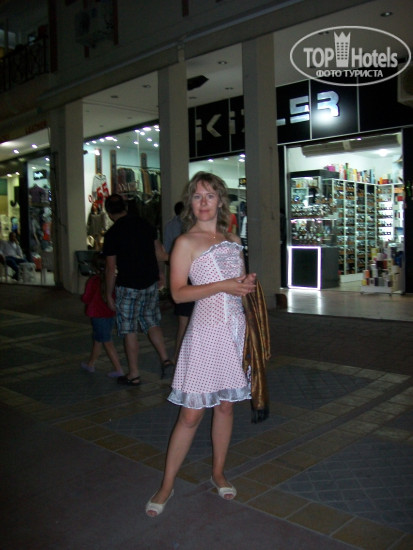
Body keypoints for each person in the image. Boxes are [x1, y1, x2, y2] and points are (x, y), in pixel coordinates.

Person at [145, 171, 256, 517]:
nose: (204, 202)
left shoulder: (233, 239)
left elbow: (237, 288)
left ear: (221, 200)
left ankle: (218, 472)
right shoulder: (185, 242)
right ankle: (166, 485)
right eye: (197, 196)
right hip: (206, 333)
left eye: (210, 195)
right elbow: (178, 293)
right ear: (190, 203)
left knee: (225, 407)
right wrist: (224, 286)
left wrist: (246, 287)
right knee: (191, 414)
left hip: (235, 331)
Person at [103, 193, 173, 386]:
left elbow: (110, 268)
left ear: (108, 213)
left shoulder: (112, 234)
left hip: (127, 285)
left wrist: (108, 293)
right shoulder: (145, 224)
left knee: (129, 329)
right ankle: (166, 359)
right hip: (149, 282)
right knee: (151, 322)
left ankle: (134, 374)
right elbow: (158, 253)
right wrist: (160, 273)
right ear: (126, 207)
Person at [80, 253, 124, 377]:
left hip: (97, 315)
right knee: (98, 340)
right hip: (109, 314)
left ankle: (118, 369)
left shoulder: (93, 281)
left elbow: (86, 298)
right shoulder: (113, 280)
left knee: (106, 341)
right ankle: (90, 363)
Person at [163, 201, 195, 366]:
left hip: (181, 274)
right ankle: (181, 357)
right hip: (191, 276)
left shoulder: (170, 226)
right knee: (188, 321)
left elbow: (166, 251)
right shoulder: (193, 229)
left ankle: (178, 357)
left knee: (184, 322)